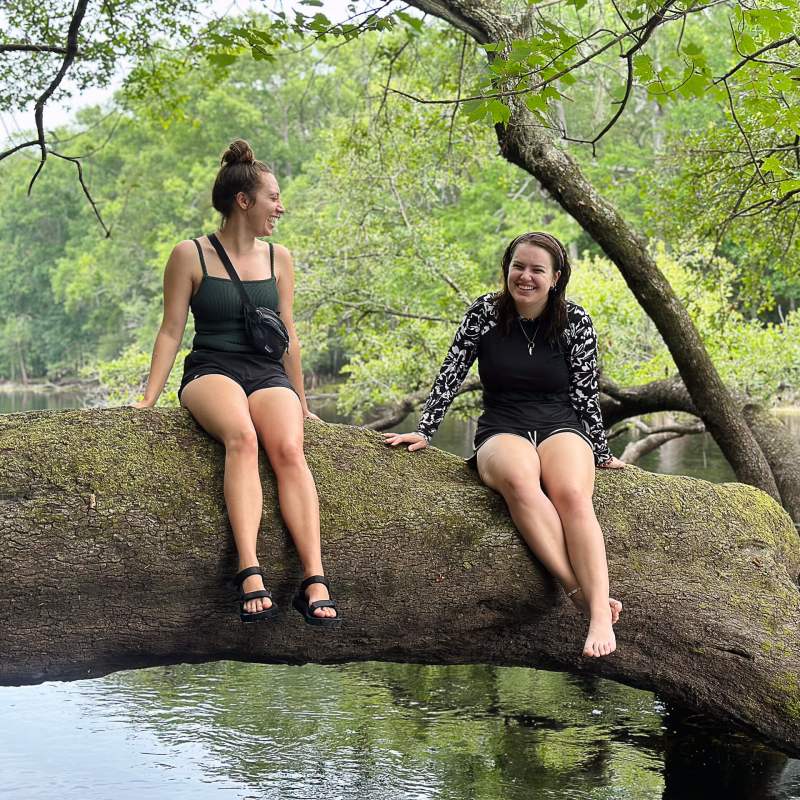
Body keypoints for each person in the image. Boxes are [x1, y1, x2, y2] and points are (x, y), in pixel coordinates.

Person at [383, 231, 624, 657]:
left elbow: (586, 392)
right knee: (520, 481)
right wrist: (424, 429)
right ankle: (582, 596)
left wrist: (601, 452)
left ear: (556, 277)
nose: (525, 277)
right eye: (518, 266)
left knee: (571, 492)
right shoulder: (484, 313)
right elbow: (451, 372)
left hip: (560, 424)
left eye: (537, 270)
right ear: (506, 269)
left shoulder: (575, 321)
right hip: (502, 425)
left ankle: (601, 618)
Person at [133, 139, 340, 627]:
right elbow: (170, 331)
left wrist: (301, 400)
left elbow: (288, 334)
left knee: (289, 447)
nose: (280, 207)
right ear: (244, 201)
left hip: (265, 372)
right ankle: (249, 570)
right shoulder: (190, 254)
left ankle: (314, 577)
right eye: (273, 197)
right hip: (213, 368)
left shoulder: (279, 258)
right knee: (242, 437)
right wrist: (147, 399)